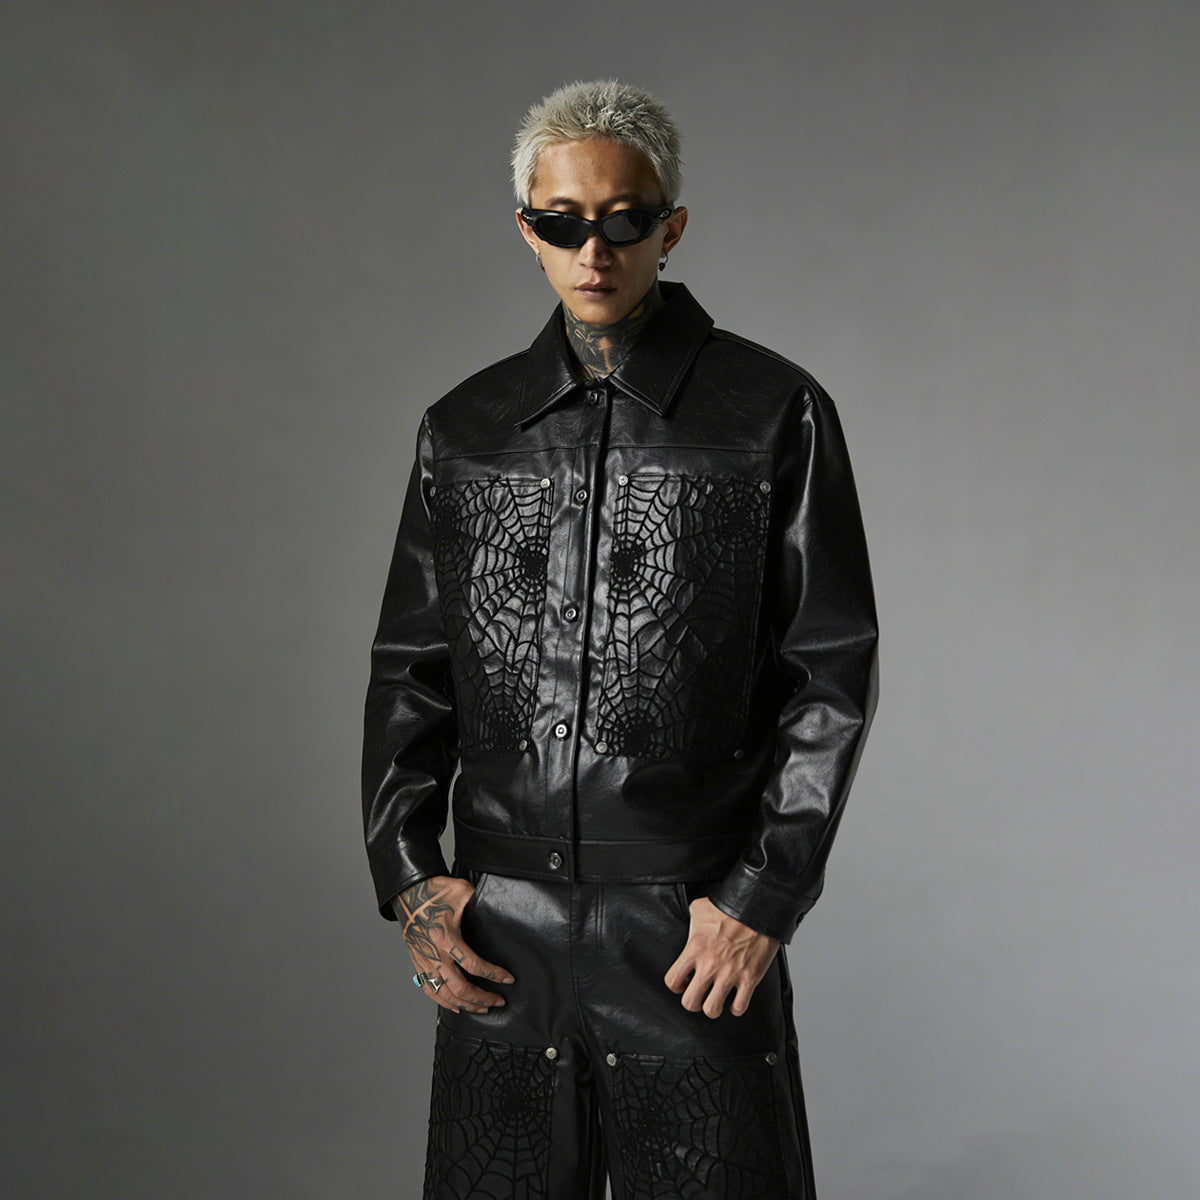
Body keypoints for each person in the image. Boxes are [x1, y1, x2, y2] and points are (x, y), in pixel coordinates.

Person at [362, 78, 878, 1200]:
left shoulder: (771, 411)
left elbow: (830, 675)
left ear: (670, 226)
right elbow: (413, 669)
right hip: (502, 933)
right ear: (526, 229)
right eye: (561, 224)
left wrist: (761, 901)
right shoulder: (466, 428)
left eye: (623, 220)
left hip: (688, 934)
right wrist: (410, 877)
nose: (592, 251)